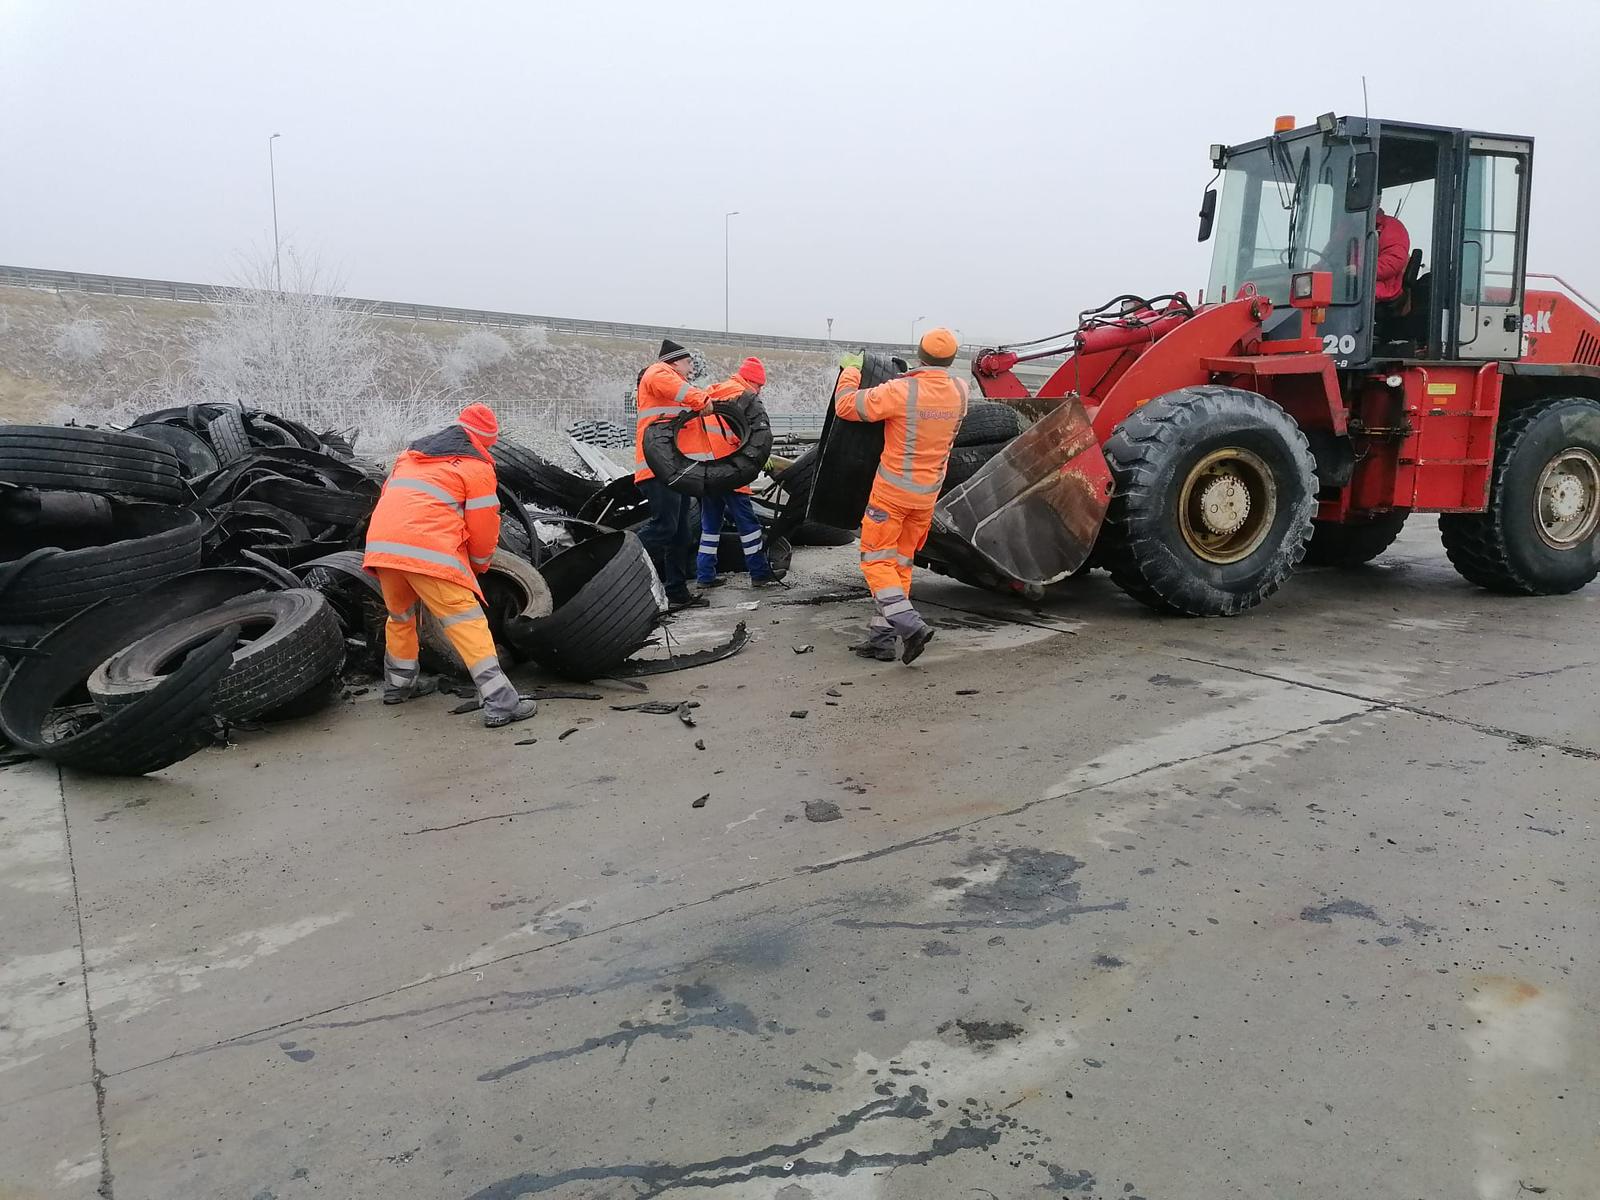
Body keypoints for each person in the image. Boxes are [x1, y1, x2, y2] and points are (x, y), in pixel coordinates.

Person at [363, 403, 537, 728]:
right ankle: (501, 702)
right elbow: (484, 528)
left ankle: (398, 686)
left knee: (400, 617)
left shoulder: (411, 456)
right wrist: (479, 564)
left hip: (383, 547)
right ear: (484, 440)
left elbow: (393, 500)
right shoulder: (476, 466)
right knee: (466, 621)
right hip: (428, 551)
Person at [834, 327, 969, 665]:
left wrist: (850, 370)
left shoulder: (901, 390)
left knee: (876, 561)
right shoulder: (960, 391)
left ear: (920, 355)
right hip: (926, 497)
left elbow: (847, 406)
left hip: (892, 494)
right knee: (900, 564)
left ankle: (910, 627)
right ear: (951, 359)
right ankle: (882, 640)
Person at [694, 356, 784, 589]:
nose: (760, 390)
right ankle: (760, 574)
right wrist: (759, 459)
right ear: (751, 380)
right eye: (759, 385)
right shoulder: (743, 397)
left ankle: (704, 576)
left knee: (710, 528)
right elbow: (748, 436)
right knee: (749, 527)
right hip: (732, 471)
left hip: (708, 471)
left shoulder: (714, 392)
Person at [634, 338, 711, 610]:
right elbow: (686, 394)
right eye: (688, 362)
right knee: (664, 527)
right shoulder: (659, 373)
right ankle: (622, 561)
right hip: (656, 468)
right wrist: (701, 399)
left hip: (672, 469)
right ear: (675, 361)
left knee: (680, 533)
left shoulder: (676, 383)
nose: (691, 367)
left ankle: (677, 591)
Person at [1375, 207, 1411, 304]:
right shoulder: (1348, 227)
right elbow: (1332, 255)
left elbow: (1392, 262)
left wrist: (1360, 271)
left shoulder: (1392, 227)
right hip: (1351, 286)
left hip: (1381, 288)